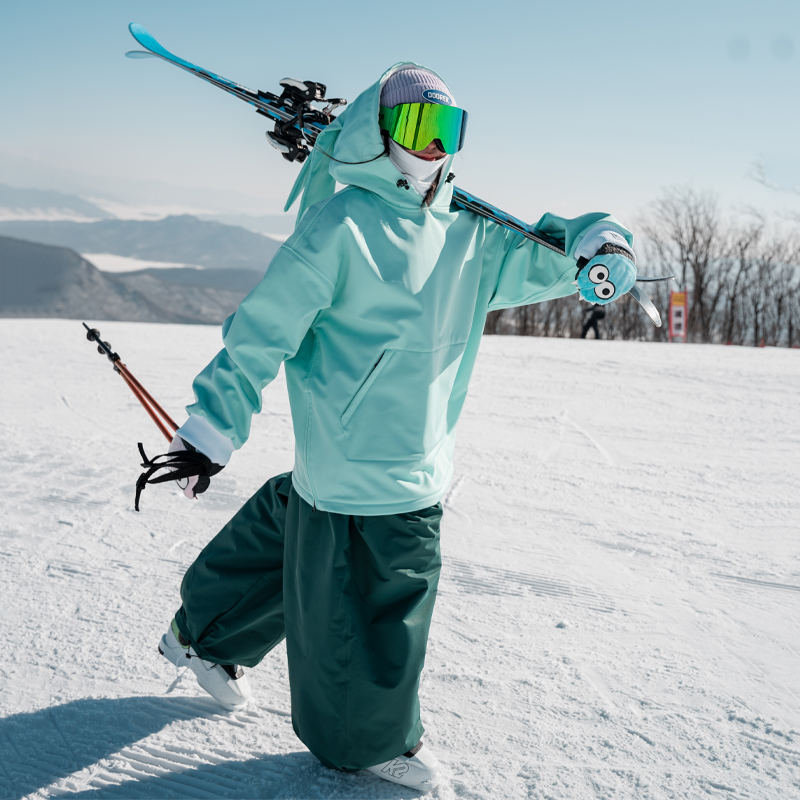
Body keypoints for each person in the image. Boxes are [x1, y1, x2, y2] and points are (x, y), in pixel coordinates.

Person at [154, 63, 637, 792]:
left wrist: (598, 251)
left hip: (401, 453)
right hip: (372, 470)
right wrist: (211, 426)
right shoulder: (342, 225)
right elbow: (262, 329)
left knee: (306, 530)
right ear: (380, 136)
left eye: (449, 130)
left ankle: (205, 636)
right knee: (380, 588)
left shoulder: (470, 235)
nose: (436, 146)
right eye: (419, 129)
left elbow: (541, 258)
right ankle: (363, 741)